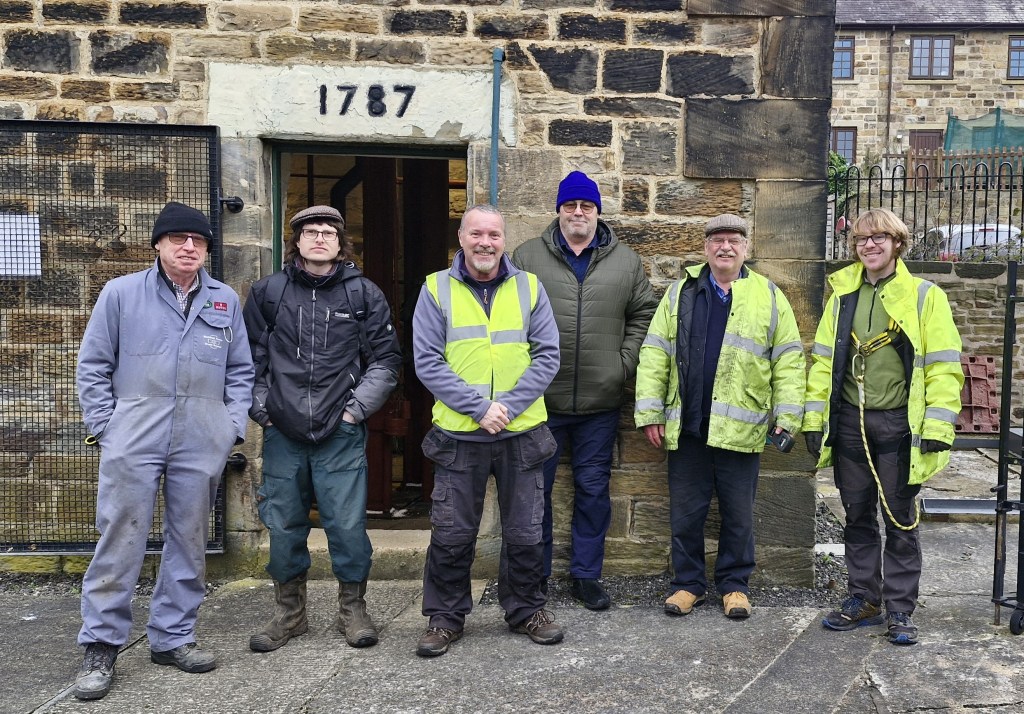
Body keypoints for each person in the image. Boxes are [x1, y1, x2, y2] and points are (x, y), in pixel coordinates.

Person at [73, 202, 254, 700]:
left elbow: (241, 370)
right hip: (133, 435)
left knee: (189, 538)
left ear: (207, 251)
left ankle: (172, 637)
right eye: (178, 239)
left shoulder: (223, 300)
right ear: (158, 244)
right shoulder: (121, 294)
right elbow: (92, 364)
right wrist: (107, 427)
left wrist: (229, 426)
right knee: (120, 538)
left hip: (201, 437)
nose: (189, 247)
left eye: (198, 242)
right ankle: (101, 646)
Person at [242, 205, 401, 652]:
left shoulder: (363, 295)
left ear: (340, 242)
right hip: (282, 434)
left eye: (328, 232)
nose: (319, 238)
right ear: (296, 241)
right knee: (284, 525)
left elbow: (386, 363)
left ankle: (353, 609)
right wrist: (264, 412)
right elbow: (249, 363)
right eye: (310, 231)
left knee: (347, 527)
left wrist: (354, 412)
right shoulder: (268, 293)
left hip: (340, 434)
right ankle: (289, 614)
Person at [804, 208, 963, 645]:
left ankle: (899, 609)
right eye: (860, 240)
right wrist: (815, 418)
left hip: (898, 424)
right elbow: (822, 362)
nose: (868, 246)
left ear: (897, 242)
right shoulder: (841, 295)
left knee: (900, 519)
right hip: (851, 423)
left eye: (877, 238)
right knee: (856, 516)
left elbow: (944, 367)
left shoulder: (925, 296)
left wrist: (938, 425)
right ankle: (864, 598)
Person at [634, 213, 805, 620]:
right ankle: (687, 584)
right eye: (717, 240)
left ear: (745, 248)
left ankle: (734, 586)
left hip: (742, 428)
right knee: (686, 512)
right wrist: (650, 411)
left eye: (733, 240)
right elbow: (654, 352)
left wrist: (788, 415)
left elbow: (789, 360)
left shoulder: (768, 296)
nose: (725, 247)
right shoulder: (680, 294)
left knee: (739, 514)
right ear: (706, 247)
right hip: (687, 425)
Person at [412, 204, 562, 657]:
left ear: (504, 240)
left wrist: (507, 408)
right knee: (453, 532)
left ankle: (526, 610)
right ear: (461, 238)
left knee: (525, 532)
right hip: (460, 435)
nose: (485, 243)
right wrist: (479, 409)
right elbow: (427, 361)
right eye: (476, 234)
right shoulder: (435, 289)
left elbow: (547, 355)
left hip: (522, 434)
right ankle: (445, 617)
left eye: (494, 235)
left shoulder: (529, 287)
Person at [511, 170, 657, 610]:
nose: (578, 213)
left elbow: (644, 316)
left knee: (593, 491)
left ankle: (586, 575)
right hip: (542, 401)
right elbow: (508, 317)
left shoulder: (625, 262)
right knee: (537, 492)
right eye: (571, 205)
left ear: (597, 212)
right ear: (558, 210)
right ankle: (533, 576)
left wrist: (622, 365)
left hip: (600, 401)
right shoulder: (526, 256)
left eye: (587, 206)